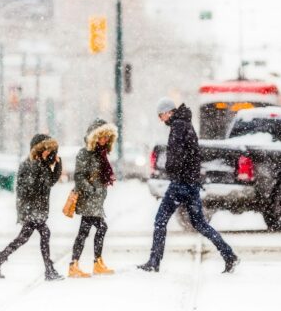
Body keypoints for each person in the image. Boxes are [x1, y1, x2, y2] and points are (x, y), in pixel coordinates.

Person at [138, 98, 239, 273]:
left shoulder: (178, 126)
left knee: (160, 221)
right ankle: (229, 255)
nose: (161, 119)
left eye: (161, 115)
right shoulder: (186, 124)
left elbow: (177, 156)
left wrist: (170, 168)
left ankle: (154, 262)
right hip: (191, 184)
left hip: (180, 184)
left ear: (169, 112)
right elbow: (192, 155)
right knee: (200, 224)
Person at [0, 133, 63, 281]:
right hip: (31, 209)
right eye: (46, 149)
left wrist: (57, 164)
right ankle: (49, 270)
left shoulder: (42, 163)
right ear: (39, 148)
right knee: (44, 233)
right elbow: (29, 188)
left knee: (23, 238)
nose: (49, 152)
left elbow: (51, 181)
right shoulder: (30, 164)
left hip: (36, 209)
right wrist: (29, 209)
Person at [68, 119, 118, 278]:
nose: (104, 140)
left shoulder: (100, 154)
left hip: (96, 201)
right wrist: (92, 190)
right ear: (94, 137)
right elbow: (79, 176)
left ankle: (90, 263)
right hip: (88, 199)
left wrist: (99, 191)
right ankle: (80, 264)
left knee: (86, 231)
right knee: (95, 229)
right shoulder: (85, 153)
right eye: (102, 137)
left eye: (107, 137)